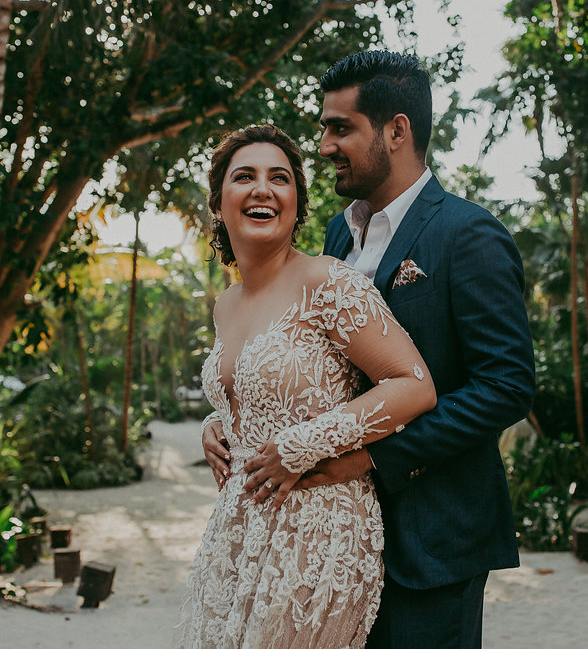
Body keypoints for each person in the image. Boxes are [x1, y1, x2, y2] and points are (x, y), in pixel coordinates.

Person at [213, 50, 536, 647]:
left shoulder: (468, 235)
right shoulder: (338, 234)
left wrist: (371, 459)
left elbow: (506, 387)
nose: (325, 145)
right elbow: (311, 361)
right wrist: (228, 420)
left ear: (396, 130)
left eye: (340, 128)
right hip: (329, 542)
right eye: (323, 128)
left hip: (433, 538)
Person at [181, 124, 437, 648]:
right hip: (238, 527)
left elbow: (413, 385)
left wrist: (299, 446)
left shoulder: (329, 281)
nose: (262, 189)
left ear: (297, 205)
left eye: (279, 178)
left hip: (318, 527)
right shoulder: (225, 305)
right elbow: (261, 391)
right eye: (244, 177)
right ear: (219, 202)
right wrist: (218, 425)